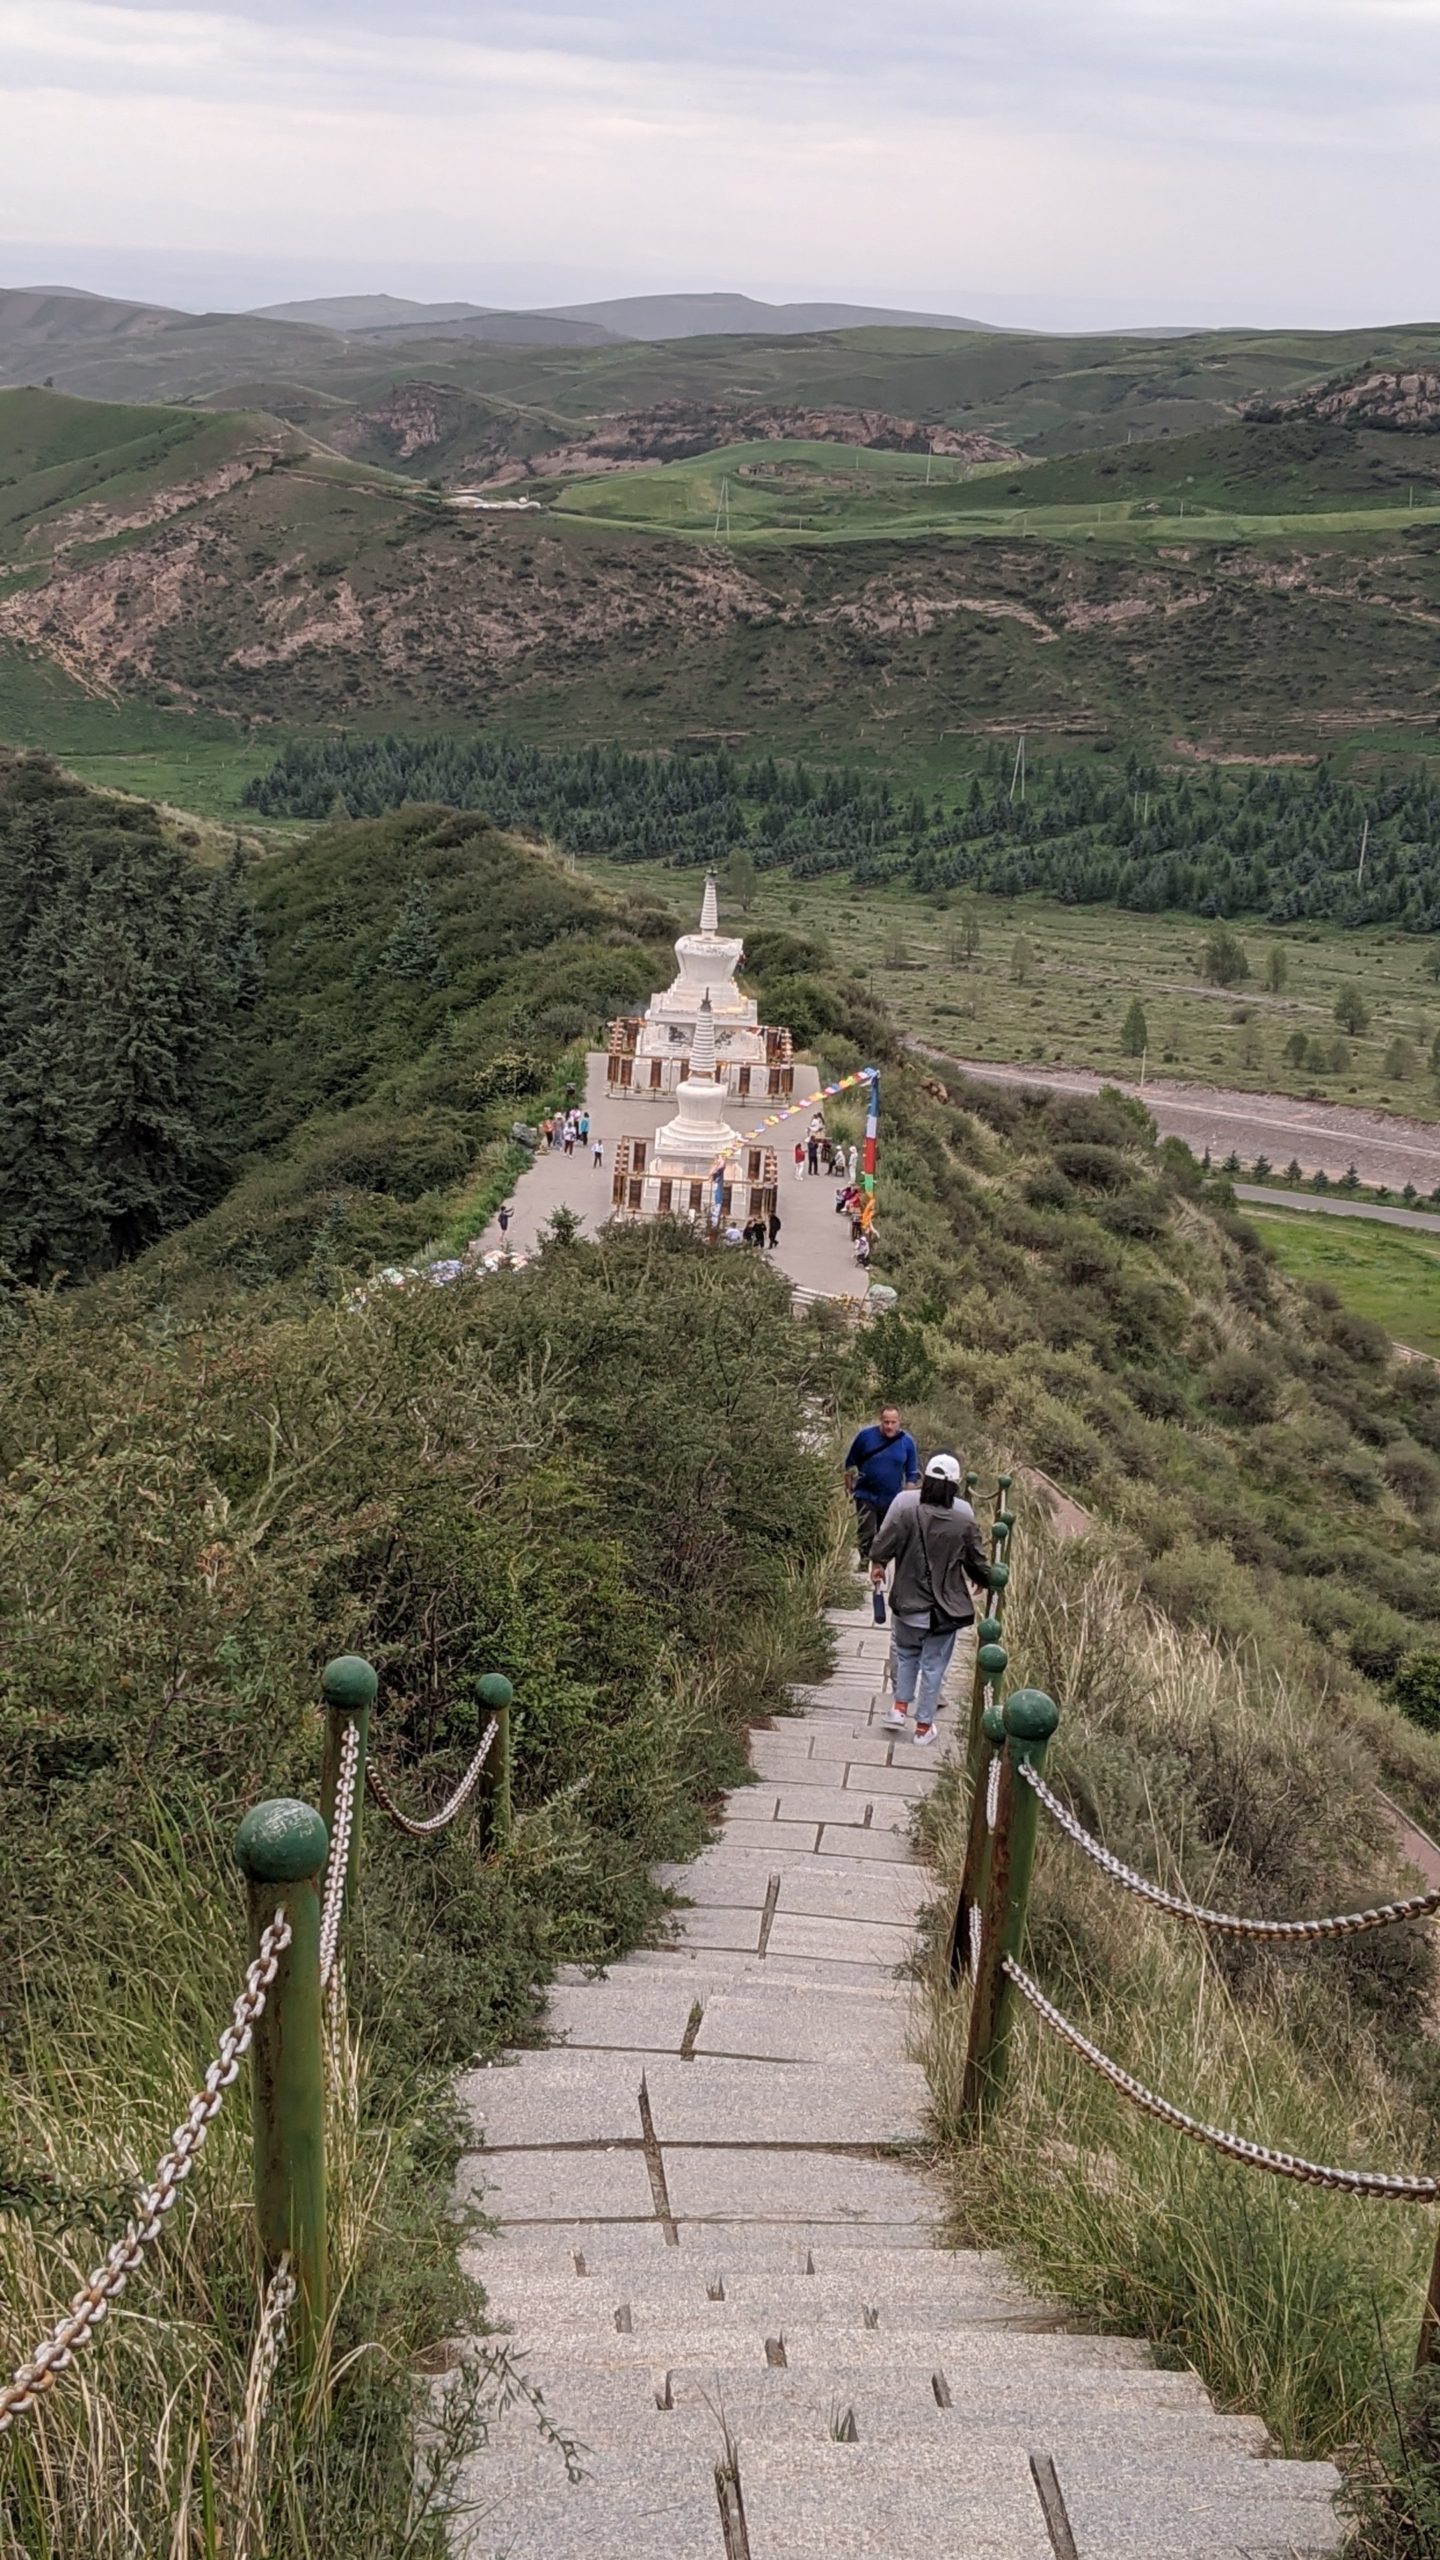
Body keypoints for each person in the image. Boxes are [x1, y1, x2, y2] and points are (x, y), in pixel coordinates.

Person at [869, 1454, 989, 1745]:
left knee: (906, 1654)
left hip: (907, 1604)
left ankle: (899, 1709)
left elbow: (881, 1547)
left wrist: (879, 1565)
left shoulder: (907, 1514)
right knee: (934, 1665)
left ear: (927, 1481)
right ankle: (923, 1727)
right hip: (945, 1611)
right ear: (955, 1487)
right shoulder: (964, 1522)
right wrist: (984, 1580)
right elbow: (978, 1562)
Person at [843, 1404, 919, 1566]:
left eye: (893, 1422)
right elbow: (850, 1463)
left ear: (899, 1422)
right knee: (866, 1531)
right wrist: (849, 1488)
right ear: (880, 1421)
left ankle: (881, 1565)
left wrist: (907, 1498)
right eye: (886, 1422)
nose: (889, 1426)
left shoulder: (907, 1442)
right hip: (866, 1494)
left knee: (886, 1534)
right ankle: (864, 1561)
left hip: (892, 1498)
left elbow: (911, 1473)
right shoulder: (865, 1437)